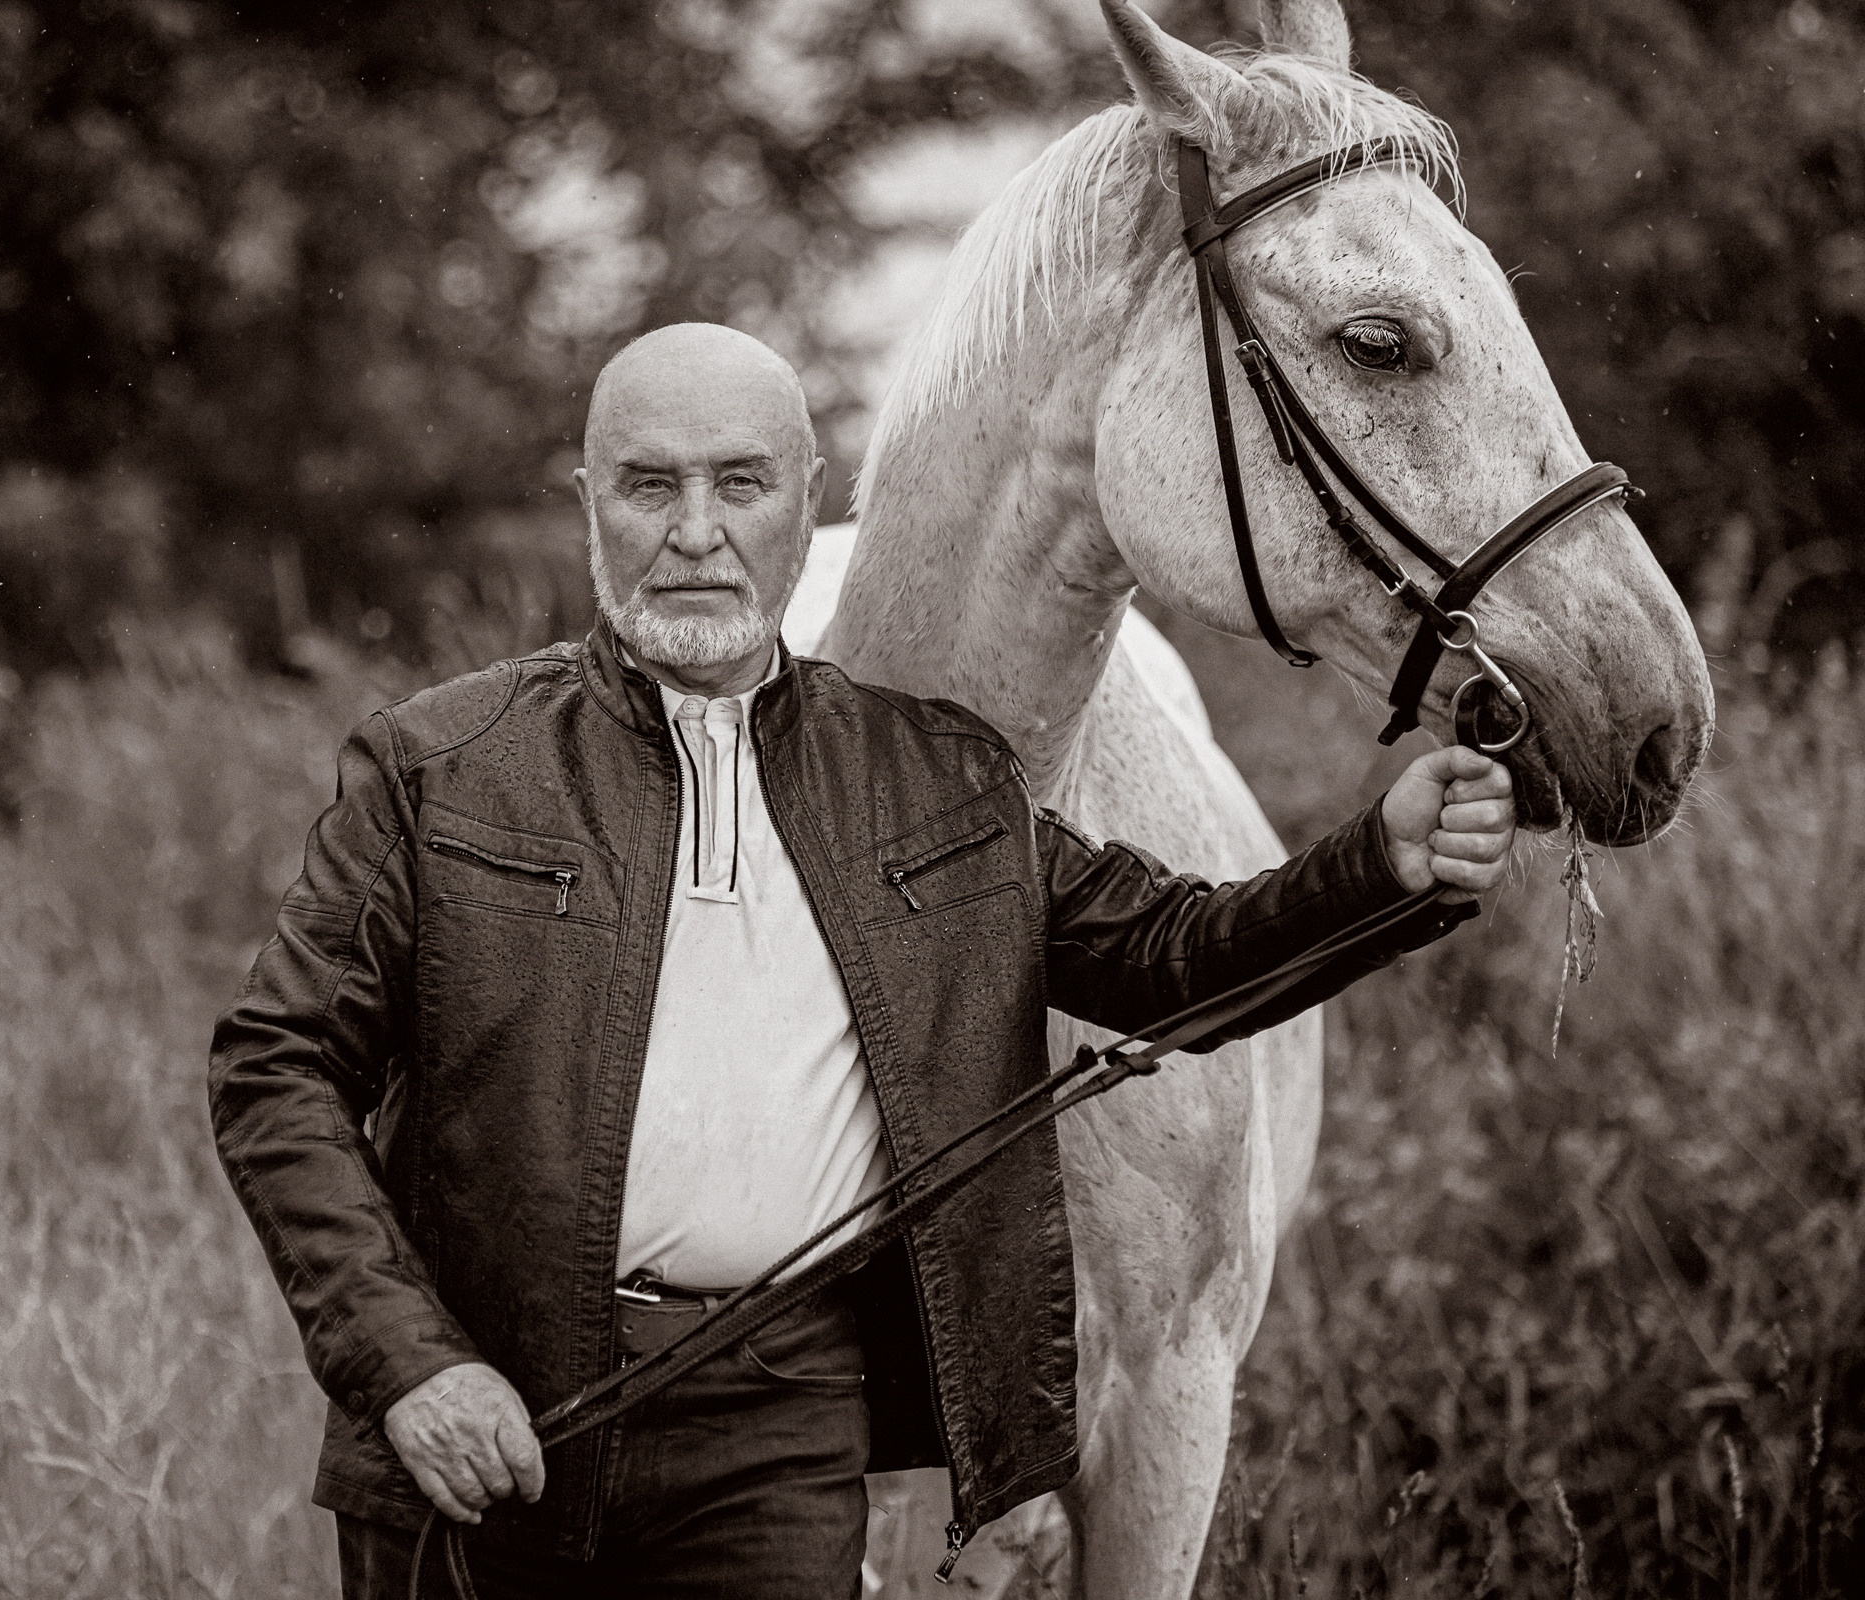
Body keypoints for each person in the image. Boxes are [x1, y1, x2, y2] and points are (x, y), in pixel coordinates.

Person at [208, 323, 1515, 1598]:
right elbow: (277, 1070)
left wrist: (1380, 871)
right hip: (481, 1429)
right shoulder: (439, 764)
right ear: (589, 501)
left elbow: (1172, 957)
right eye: (650, 484)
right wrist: (406, 1366)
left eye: (743, 483)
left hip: (773, 1439)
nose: (697, 532)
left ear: (810, 503)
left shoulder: (927, 781)